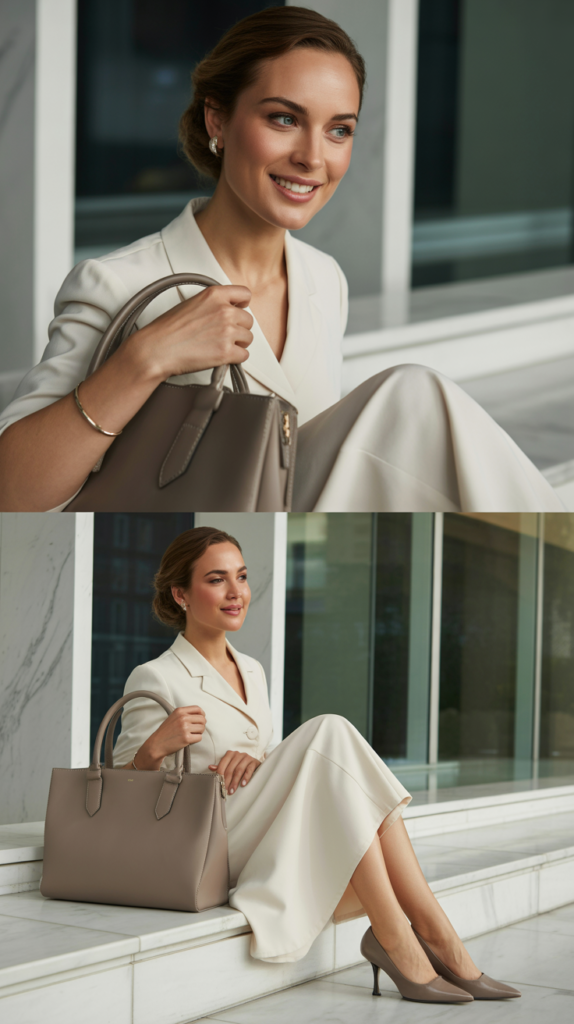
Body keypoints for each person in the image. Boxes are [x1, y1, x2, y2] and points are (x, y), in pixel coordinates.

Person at [0, 7, 562, 513]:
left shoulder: (323, 280)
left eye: (339, 130)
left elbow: (308, 467)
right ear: (217, 121)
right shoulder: (119, 282)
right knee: (412, 394)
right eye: (284, 119)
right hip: (187, 541)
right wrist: (145, 359)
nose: (313, 157)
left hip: (296, 548)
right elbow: (12, 493)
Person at [112, 525, 520, 1001]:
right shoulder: (157, 676)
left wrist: (258, 760)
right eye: (216, 579)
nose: (236, 592)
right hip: (207, 844)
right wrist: (154, 748)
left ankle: (417, 935)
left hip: (256, 824)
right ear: (181, 593)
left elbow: (257, 764)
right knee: (331, 732)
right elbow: (122, 796)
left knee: (342, 781)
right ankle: (419, 936)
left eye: (241, 577)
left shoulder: (252, 671)